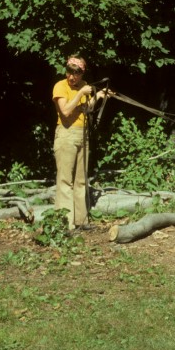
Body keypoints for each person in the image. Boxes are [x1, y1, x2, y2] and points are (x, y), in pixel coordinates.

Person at [52, 55, 109, 230]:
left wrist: (98, 96)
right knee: (65, 181)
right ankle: (65, 224)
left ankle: (81, 221)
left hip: (82, 135)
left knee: (81, 180)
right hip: (66, 134)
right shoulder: (60, 86)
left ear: (82, 73)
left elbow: (86, 109)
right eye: (70, 71)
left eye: (76, 73)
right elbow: (66, 111)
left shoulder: (84, 86)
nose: (72, 76)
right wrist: (80, 94)